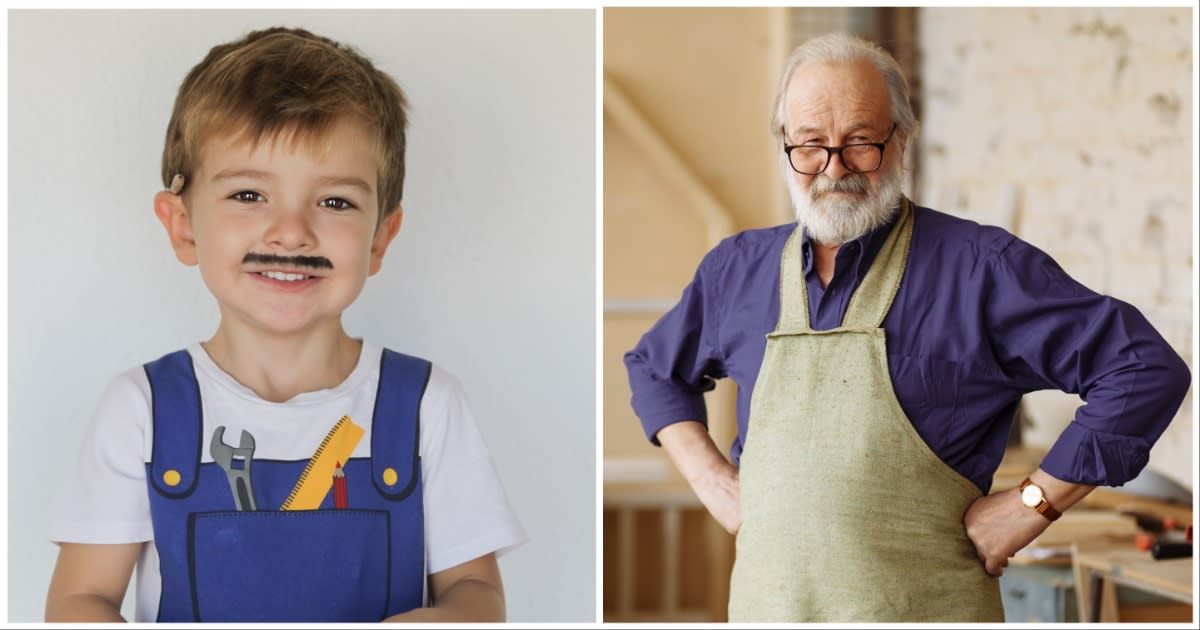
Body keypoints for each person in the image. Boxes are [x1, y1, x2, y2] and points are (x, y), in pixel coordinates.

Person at [623, 32, 1191, 622]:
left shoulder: (980, 269)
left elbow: (1144, 368)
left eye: (861, 142)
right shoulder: (735, 271)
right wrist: (712, 478)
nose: (834, 169)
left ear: (902, 139)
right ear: (785, 144)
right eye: (811, 145)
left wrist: (1031, 504)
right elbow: (653, 369)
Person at [45, 27, 525, 623]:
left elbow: (477, 592)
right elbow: (78, 603)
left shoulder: (428, 405)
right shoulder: (140, 409)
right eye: (249, 194)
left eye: (335, 203)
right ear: (183, 227)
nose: (291, 231)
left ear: (381, 239)